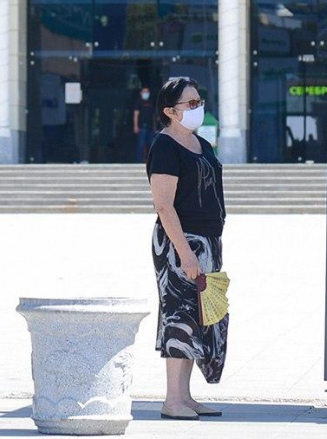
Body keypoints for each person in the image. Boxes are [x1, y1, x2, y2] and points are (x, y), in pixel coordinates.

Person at [146, 78, 228, 420]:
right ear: (170, 111)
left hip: (207, 241)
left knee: (200, 316)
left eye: (199, 101)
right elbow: (164, 206)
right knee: (180, 316)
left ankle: (186, 396)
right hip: (182, 243)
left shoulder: (201, 143)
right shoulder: (165, 147)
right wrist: (186, 253)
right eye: (190, 104)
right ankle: (171, 400)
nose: (198, 108)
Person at [133, 85, 155, 162]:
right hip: (142, 127)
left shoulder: (150, 102)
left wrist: (154, 127)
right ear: (141, 93)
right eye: (144, 92)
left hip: (150, 127)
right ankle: (139, 161)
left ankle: (151, 161)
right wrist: (135, 126)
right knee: (141, 145)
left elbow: (153, 116)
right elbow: (136, 114)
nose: (146, 93)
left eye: (147, 92)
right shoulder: (138, 102)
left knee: (151, 145)